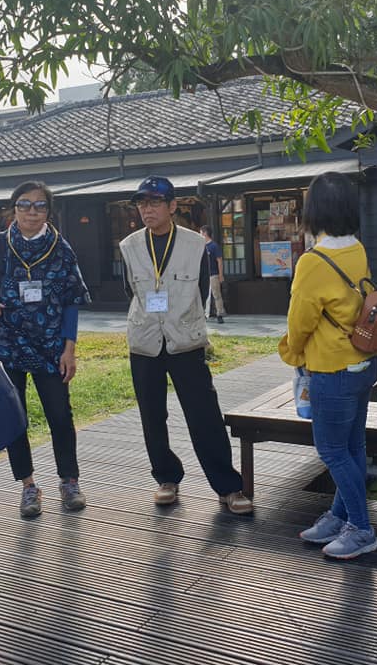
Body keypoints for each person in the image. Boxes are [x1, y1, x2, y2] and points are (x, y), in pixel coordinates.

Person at [120, 175, 252, 514]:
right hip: (145, 340)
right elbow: (130, 291)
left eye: (154, 202)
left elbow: (204, 294)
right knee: (152, 414)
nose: (146, 209)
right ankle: (166, 477)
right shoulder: (130, 245)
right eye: (141, 203)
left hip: (185, 340)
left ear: (172, 206)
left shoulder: (197, 245)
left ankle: (228, 486)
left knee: (203, 413)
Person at [279, 172, 377, 559]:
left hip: (332, 369)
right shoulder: (356, 248)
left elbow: (299, 321)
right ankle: (340, 516)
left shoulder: (313, 260)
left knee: (333, 451)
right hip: (364, 361)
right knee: (352, 445)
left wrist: (291, 354)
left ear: (314, 210)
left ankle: (361, 528)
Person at [0, 181, 90, 517]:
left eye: (39, 206)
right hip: (5, 344)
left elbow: (72, 300)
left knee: (60, 415)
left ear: (48, 212)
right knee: (14, 417)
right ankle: (28, 486)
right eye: (24, 204)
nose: (31, 212)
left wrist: (70, 348)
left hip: (51, 346)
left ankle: (69, 480)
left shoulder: (61, 248)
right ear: (13, 209)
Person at [200, 225, 226, 323]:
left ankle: (219, 314)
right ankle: (204, 315)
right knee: (205, 295)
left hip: (213, 274)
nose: (200, 234)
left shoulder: (214, 246)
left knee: (216, 294)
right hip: (204, 275)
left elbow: (219, 260)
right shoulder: (201, 246)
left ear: (205, 233)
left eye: (201, 232)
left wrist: (220, 275)